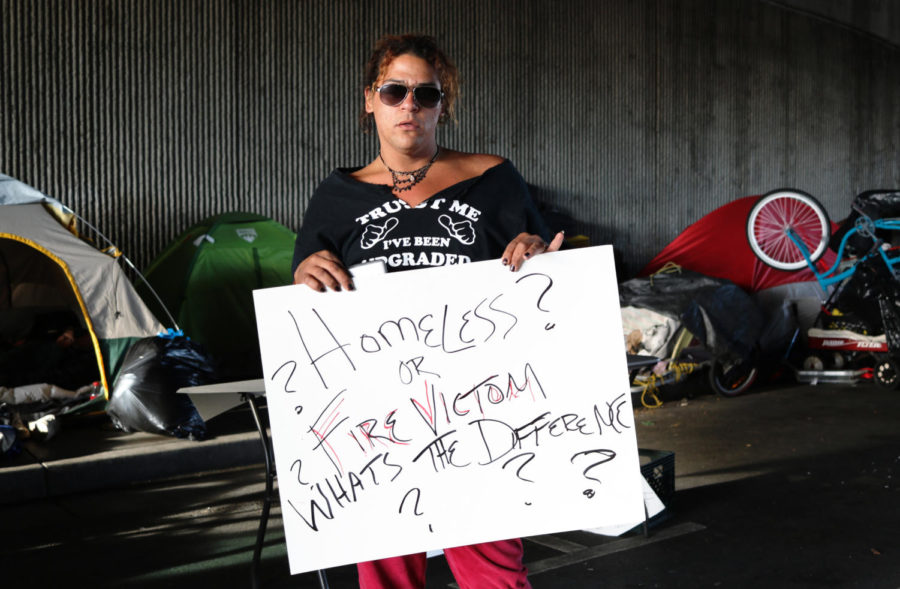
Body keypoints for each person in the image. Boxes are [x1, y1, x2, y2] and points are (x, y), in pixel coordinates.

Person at [291, 33, 563, 589]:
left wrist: (537, 256)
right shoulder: (337, 195)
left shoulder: (494, 178)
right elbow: (306, 299)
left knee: (495, 574)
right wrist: (303, 274)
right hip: (375, 421)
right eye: (394, 91)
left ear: (444, 104)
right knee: (388, 576)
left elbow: (545, 285)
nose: (409, 104)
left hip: (480, 409)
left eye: (426, 93)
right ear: (370, 99)